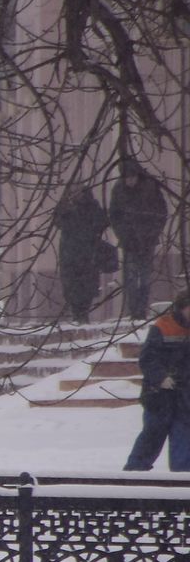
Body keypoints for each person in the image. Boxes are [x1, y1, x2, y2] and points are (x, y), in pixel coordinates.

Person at [124, 291, 190, 472]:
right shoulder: (163, 326)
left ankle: (183, 481)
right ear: (182, 307)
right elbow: (148, 358)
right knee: (152, 436)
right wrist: (161, 378)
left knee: (183, 441)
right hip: (159, 396)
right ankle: (134, 475)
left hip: (185, 398)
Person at [109, 161, 170, 321]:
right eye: (126, 178)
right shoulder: (119, 189)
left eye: (131, 178)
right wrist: (122, 234)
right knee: (130, 277)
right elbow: (114, 215)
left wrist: (152, 231)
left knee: (144, 278)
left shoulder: (149, 187)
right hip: (129, 241)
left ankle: (141, 310)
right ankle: (133, 310)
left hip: (147, 240)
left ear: (136, 176)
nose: (129, 181)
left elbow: (161, 211)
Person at [54, 185, 111, 323]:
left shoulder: (91, 206)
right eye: (72, 193)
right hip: (70, 255)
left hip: (88, 254)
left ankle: (83, 313)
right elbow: (58, 222)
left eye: (78, 192)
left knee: (87, 287)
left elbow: (103, 222)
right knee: (71, 286)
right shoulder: (65, 208)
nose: (75, 195)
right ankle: (77, 313)